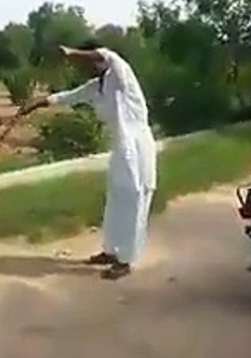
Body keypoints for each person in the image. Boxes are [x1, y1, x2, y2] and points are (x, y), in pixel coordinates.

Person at [18, 41, 157, 280]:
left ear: (95, 60)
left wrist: (72, 52)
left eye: (87, 61)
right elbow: (68, 97)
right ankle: (111, 251)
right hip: (121, 145)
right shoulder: (97, 86)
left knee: (135, 197)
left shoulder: (121, 73)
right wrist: (35, 105)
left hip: (138, 143)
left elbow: (108, 54)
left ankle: (126, 259)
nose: (83, 67)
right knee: (116, 197)